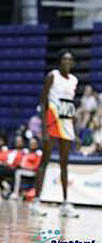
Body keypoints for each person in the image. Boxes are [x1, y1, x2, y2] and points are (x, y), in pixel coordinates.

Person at [31, 50, 79, 218]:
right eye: (64, 59)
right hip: (52, 120)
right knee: (45, 161)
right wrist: (44, 128)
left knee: (64, 164)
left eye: (70, 59)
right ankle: (36, 201)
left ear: (73, 63)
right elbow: (43, 100)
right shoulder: (53, 76)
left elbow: (70, 104)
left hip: (66, 122)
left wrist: (74, 130)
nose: (67, 62)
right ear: (60, 62)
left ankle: (65, 203)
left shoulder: (74, 80)